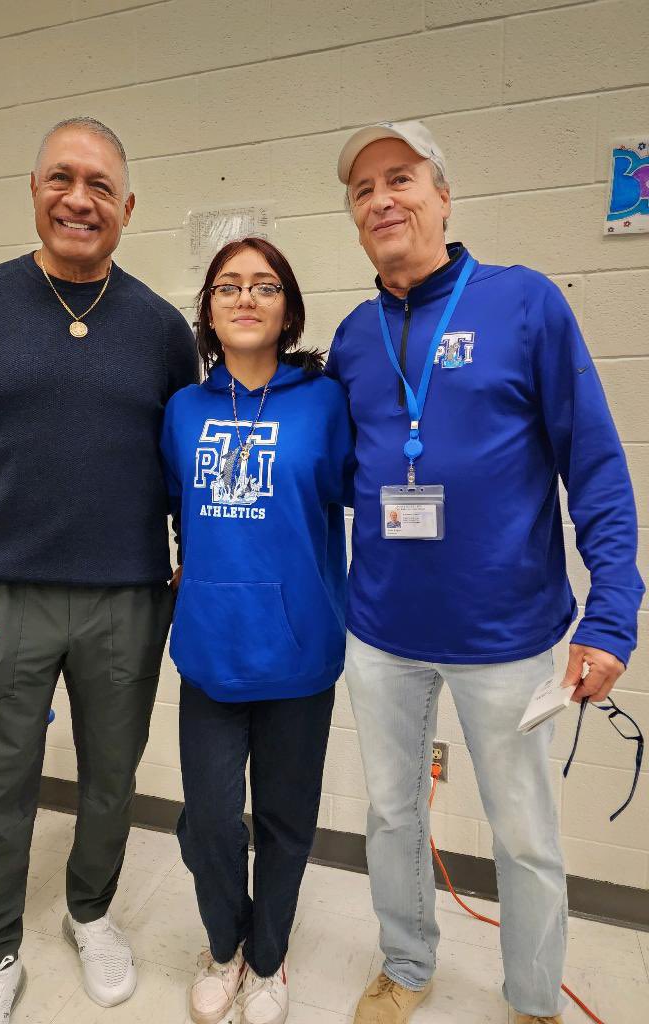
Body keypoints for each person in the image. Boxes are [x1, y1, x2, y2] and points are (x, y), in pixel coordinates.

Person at [326, 121, 644, 1024]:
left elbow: (595, 465)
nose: (381, 200)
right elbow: (339, 474)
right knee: (392, 817)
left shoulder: (524, 303)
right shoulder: (353, 336)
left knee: (526, 835)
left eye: (400, 178)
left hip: (506, 635)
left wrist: (611, 615)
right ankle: (406, 962)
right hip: (382, 632)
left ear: (442, 195)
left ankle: (534, 999)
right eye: (362, 190)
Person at [0, 117, 197, 1024]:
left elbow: (184, 470)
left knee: (111, 779)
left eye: (100, 185)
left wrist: (193, 576)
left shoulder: (161, 330)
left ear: (128, 207)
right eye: (62, 179)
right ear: (33, 190)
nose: (80, 199)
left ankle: (91, 913)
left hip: (127, 600)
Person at [160, 237, 355, 1024]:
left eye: (265, 286)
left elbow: (358, 496)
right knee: (209, 821)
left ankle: (268, 959)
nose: (246, 297)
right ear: (208, 312)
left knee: (284, 822)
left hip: (300, 651)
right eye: (228, 286)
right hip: (211, 650)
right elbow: (180, 509)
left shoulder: (326, 402)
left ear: (288, 311)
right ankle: (224, 943)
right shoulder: (184, 411)